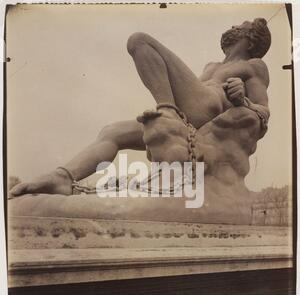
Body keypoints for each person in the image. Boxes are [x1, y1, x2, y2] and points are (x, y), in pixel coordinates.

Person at [9, 18, 271, 197]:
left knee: (140, 41)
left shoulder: (254, 65)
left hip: (204, 113)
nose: (235, 26)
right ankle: (63, 177)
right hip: (187, 121)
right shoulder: (212, 66)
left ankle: (166, 110)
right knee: (113, 132)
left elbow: (264, 112)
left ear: (249, 41)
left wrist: (243, 100)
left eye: (242, 26)